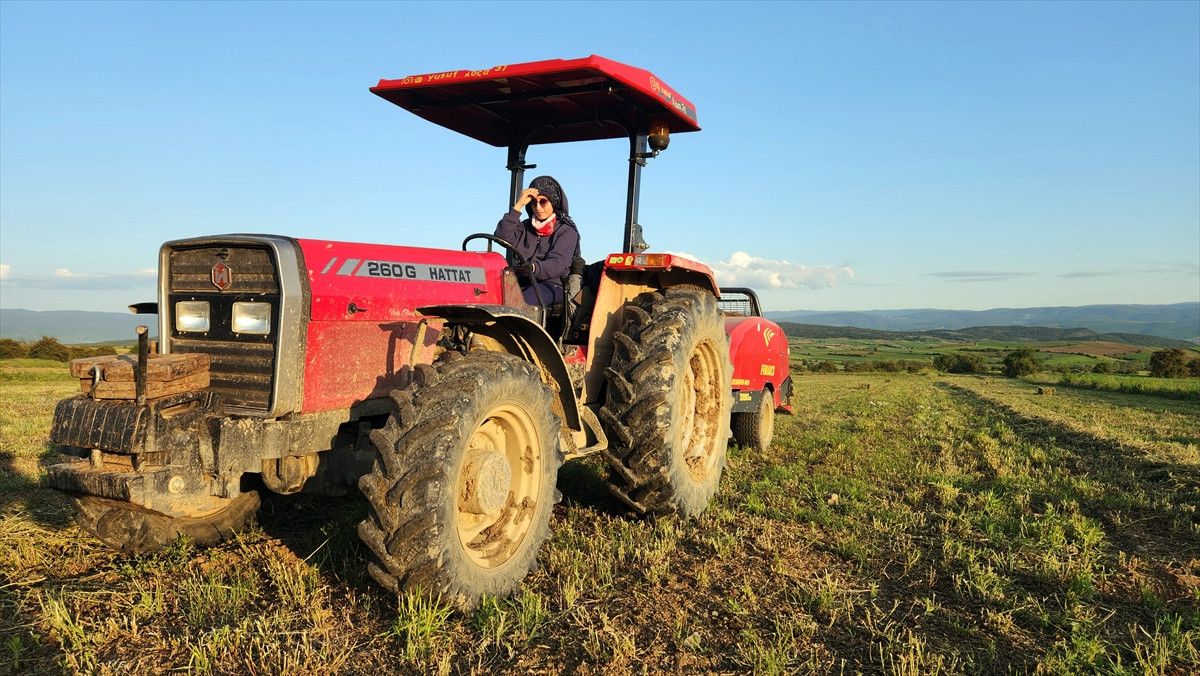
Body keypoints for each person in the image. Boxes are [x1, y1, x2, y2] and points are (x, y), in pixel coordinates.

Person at [494, 175, 581, 306]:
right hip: (522, 281)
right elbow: (502, 236)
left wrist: (533, 267)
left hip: (551, 285)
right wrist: (519, 205)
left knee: (518, 303)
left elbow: (556, 264)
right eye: (534, 202)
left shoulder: (566, 231)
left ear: (554, 202)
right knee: (489, 296)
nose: (538, 207)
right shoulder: (525, 227)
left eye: (543, 202)